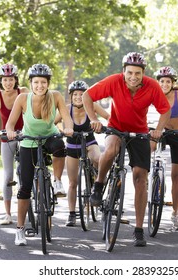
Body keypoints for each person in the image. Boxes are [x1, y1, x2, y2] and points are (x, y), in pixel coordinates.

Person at [82, 52, 171, 247]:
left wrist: (158, 130)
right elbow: (87, 95)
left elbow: (165, 109)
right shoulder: (114, 81)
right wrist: (94, 119)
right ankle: (98, 185)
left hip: (139, 132)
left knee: (140, 178)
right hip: (116, 127)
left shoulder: (152, 86)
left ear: (143, 73)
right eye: (129, 72)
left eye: (137, 73)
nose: (133, 77)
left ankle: (138, 229)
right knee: (111, 149)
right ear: (123, 71)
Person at [5, 63, 73, 246]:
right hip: (29, 141)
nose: (39, 86)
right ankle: (20, 230)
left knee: (60, 146)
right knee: (25, 187)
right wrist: (11, 132)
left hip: (49, 137)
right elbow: (10, 124)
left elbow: (67, 117)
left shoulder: (56, 96)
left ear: (48, 83)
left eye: (43, 82)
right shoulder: (22, 99)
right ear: (31, 83)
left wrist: (68, 128)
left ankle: (57, 182)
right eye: (36, 82)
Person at [55, 80, 110, 226]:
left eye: (81, 94)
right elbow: (53, 122)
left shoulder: (92, 106)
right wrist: (62, 130)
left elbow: (109, 118)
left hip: (90, 143)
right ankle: (72, 214)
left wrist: (105, 127)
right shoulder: (66, 109)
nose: (78, 97)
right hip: (72, 146)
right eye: (75, 94)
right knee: (73, 183)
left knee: (98, 159)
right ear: (71, 96)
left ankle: (98, 183)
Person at [0, 63, 29, 225]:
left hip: (25, 136)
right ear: (1, 81)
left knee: (28, 173)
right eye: (5, 80)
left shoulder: (23, 92)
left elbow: (33, 108)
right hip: (6, 137)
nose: (8, 83)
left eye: (11, 79)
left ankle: (34, 206)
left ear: (15, 80)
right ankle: (8, 214)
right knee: (8, 176)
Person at [154, 66, 178, 231]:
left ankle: (175, 213)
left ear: (173, 83)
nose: (165, 84)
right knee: (148, 145)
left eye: (168, 81)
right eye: (162, 81)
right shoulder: (154, 95)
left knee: (176, 176)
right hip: (162, 133)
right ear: (158, 82)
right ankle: (148, 177)